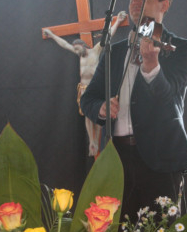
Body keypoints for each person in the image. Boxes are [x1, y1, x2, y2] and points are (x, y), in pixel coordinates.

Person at [80, 0, 187, 221]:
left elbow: (169, 97)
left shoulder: (181, 49)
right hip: (117, 160)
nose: (135, 2)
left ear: (164, 4)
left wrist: (152, 65)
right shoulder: (114, 51)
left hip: (161, 158)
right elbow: (88, 99)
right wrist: (101, 108)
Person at [43, 11, 127, 156]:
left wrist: (118, 21)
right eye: (75, 50)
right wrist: (51, 34)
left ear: (83, 46)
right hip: (83, 88)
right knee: (88, 116)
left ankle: (98, 141)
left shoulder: (95, 51)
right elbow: (64, 44)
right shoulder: (80, 55)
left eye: (77, 48)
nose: (76, 51)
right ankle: (92, 142)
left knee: (98, 115)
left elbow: (107, 36)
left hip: (95, 88)